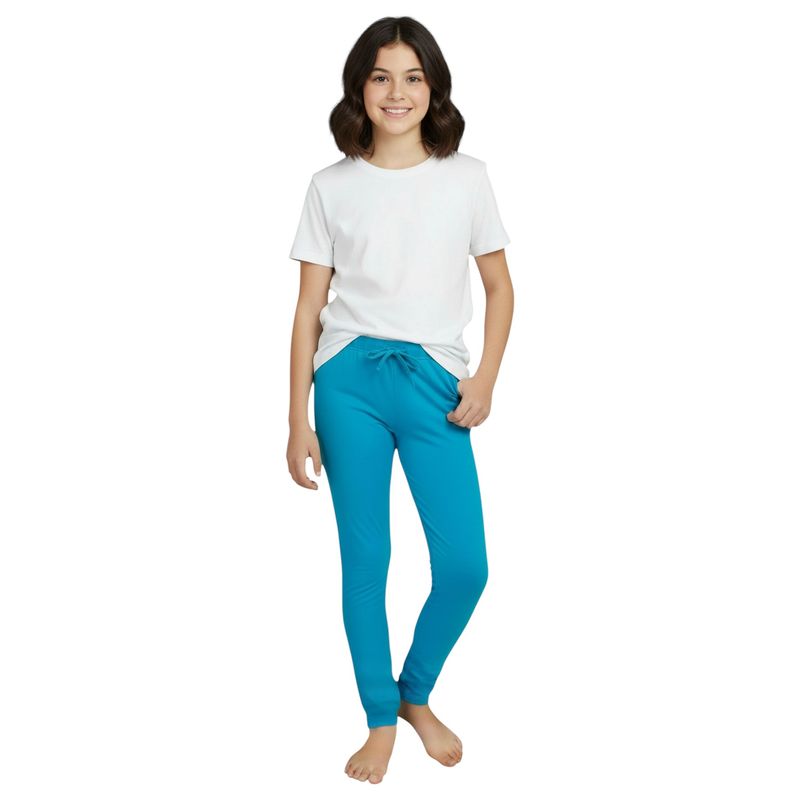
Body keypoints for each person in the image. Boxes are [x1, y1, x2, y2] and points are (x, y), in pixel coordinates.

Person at [286, 16, 514, 784]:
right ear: (359, 86)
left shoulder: (467, 177)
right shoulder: (330, 187)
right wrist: (296, 419)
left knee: (465, 567)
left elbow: (499, 287)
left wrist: (485, 379)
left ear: (433, 88)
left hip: (434, 385)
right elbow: (308, 308)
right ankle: (380, 716)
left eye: (413, 77)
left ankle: (415, 692)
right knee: (367, 560)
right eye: (381, 76)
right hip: (347, 382)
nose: (397, 92)